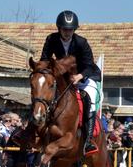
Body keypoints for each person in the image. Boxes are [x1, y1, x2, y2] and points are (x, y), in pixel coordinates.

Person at [40, 10, 102, 156]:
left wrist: (79, 76)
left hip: (86, 76)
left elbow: (89, 65)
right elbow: (45, 59)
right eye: (64, 29)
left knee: (90, 99)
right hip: (65, 77)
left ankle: (88, 142)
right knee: (44, 93)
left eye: (70, 30)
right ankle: (33, 131)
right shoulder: (51, 39)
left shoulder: (81, 42)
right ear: (59, 28)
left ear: (74, 30)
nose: (67, 32)